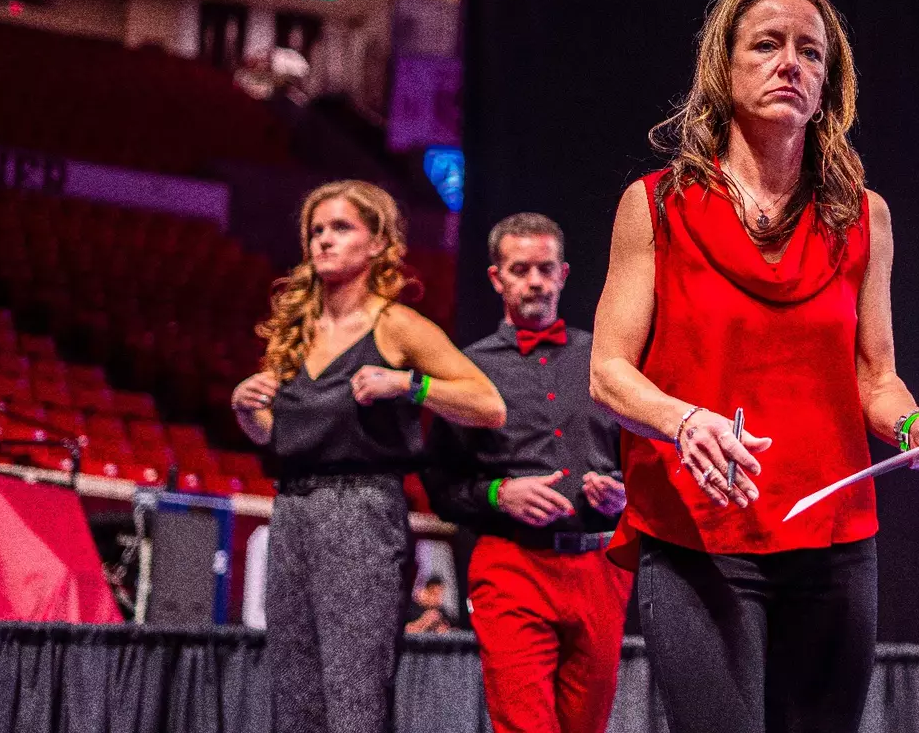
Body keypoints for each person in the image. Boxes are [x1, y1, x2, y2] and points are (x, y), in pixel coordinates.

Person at [588, 0, 919, 733]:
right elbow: (608, 374)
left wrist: (916, 431)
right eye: (767, 45)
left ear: (828, 83)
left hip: (835, 540)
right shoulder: (655, 206)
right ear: (724, 66)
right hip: (698, 536)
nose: (790, 64)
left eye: (811, 52)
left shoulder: (864, 216)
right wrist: (683, 421)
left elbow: (877, 377)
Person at [230, 180, 505, 733]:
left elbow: (488, 404)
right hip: (293, 511)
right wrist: (246, 411)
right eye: (316, 230)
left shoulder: (395, 324)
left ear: (377, 243)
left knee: (353, 694)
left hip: (362, 510)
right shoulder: (296, 330)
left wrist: (410, 385)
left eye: (341, 228)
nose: (324, 241)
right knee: (295, 693)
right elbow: (278, 439)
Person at [422, 213, 632, 733]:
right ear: (497, 278)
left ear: (563, 273)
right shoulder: (466, 371)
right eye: (520, 269)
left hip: (600, 566)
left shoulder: (605, 362)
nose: (534, 281)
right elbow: (440, 486)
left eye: (544, 269)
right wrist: (498, 492)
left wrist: (622, 495)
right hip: (511, 564)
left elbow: (644, 461)